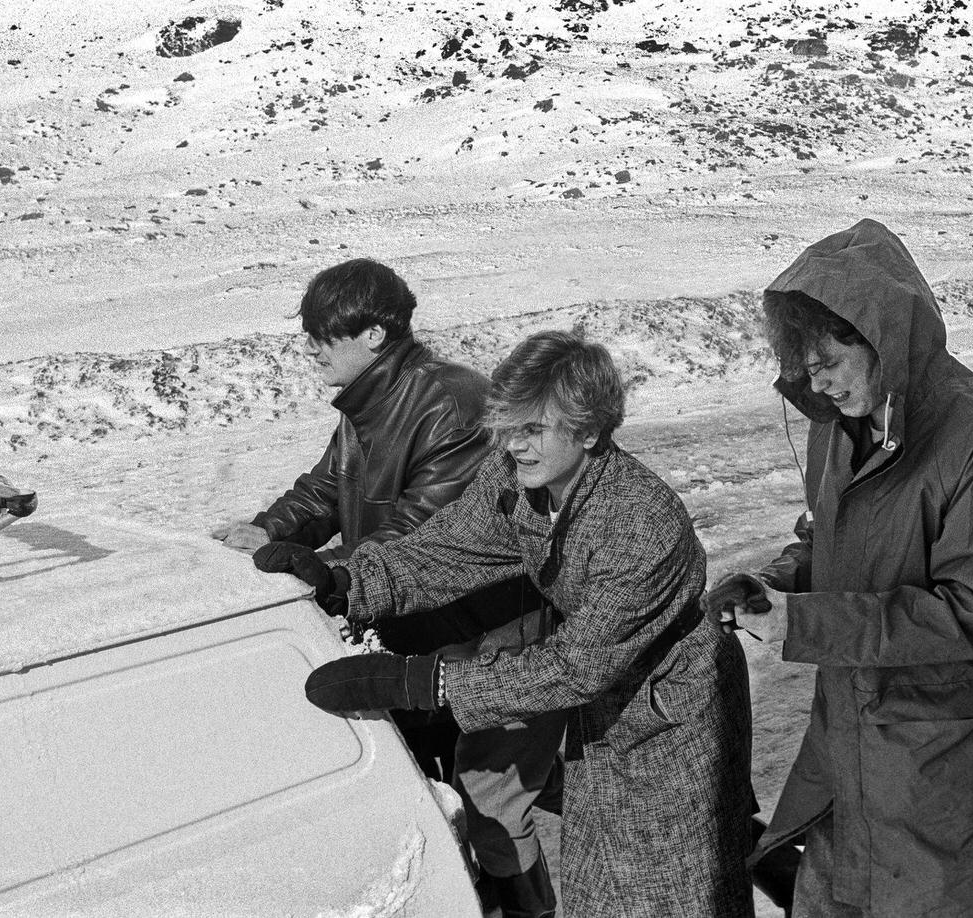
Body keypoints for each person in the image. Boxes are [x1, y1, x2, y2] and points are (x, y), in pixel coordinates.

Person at [300, 331, 755, 918]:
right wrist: (344, 581)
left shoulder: (641, 520)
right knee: (604, 880)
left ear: (588, 430)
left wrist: (429, 683)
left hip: (673, 715)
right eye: (508, 426)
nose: (515, 444)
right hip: (605, 704)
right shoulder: (518, 481)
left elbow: (577, 666)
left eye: (533, 429)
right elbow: (444, 552)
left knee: (676, 887)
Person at [709, 219, 973, 917]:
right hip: (849, 767)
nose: (816, 382)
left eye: (828, 361)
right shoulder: (840, 428)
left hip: (951, 786)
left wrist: (804, 622)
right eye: (803, 364)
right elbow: (832, 544)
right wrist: (777, 585)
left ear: (883, 340)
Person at [220, 258, 563, 917]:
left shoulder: (451, 406)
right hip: (417, 628)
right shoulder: (369, 400)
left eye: (324, 335)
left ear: (374, 334)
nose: (312, 349)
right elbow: (326, 488)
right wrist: (265, 534)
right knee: (446, 789)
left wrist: (327, 574)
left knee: (491, 802)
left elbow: (421, 537)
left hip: (487, 640)